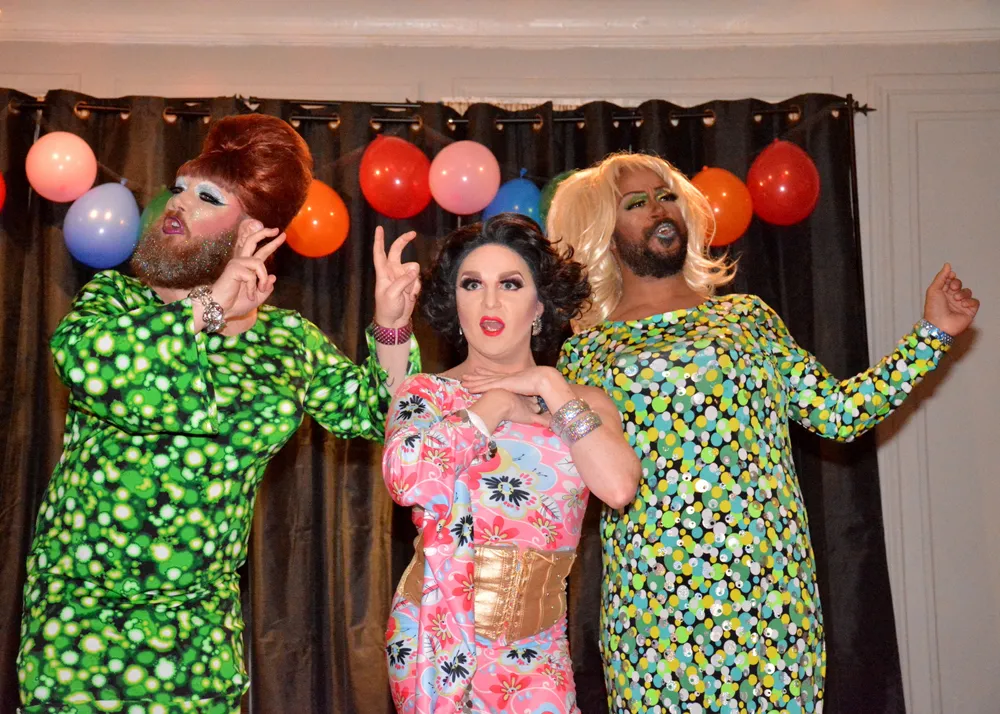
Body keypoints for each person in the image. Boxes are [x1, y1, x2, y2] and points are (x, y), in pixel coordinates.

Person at [546, 151, 980, 713]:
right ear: (605, 231)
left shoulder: (746, 319)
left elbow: (839, 413)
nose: (659, 208)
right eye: (636, 203)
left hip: (771, 596)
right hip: (653, 609)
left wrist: (933, 334)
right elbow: (560, 477)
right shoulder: (586, 353)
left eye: (666, 195)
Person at [16, 114, 421, 714]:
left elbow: (382, 414)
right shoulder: (114, 301)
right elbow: (90, 364)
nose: (177, 204)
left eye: (207, 197)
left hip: (197, 642)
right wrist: (207, 308)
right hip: (80, 628)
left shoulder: (286, 341)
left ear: (255, 230)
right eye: (179, 187)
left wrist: (390, 323)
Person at [381, 214, 641, 714]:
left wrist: (548, 385)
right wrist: (496, 405)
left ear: (539, 305)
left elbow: (617, 487)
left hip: (538, 648)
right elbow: (407, 480)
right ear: (455, 303)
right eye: (472, 284)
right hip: (433, 639)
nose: (490, 301)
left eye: (511, 284)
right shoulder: (428, 393)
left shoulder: (581, 402)